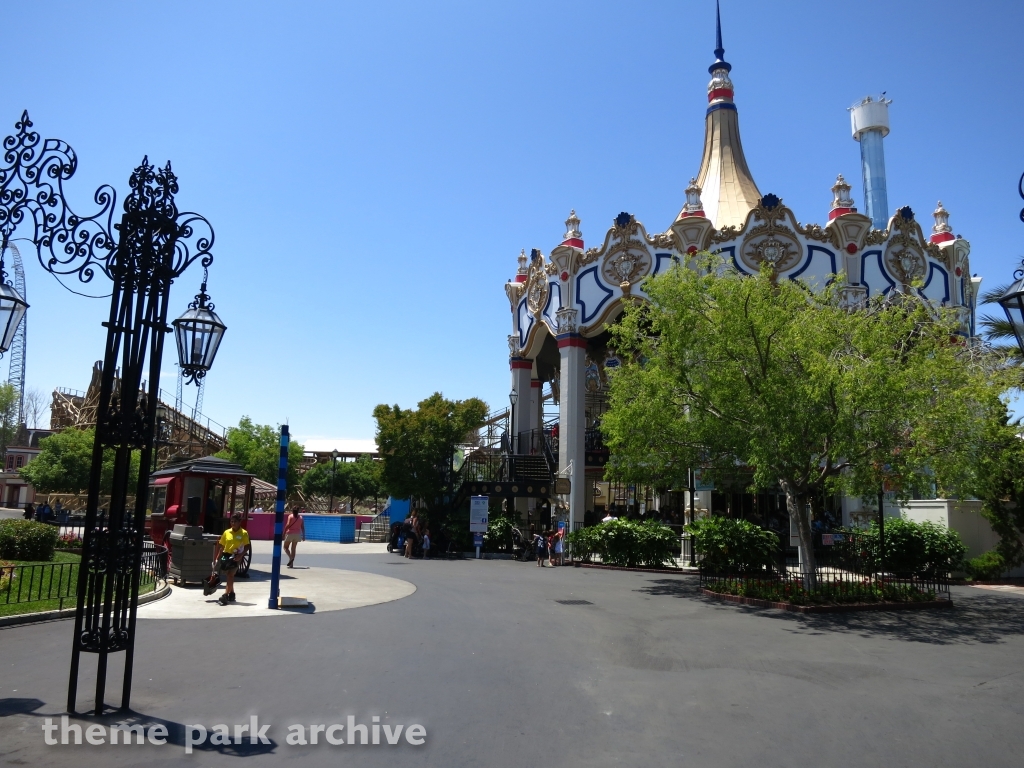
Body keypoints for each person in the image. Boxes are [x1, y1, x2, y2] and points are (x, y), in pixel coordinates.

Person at [209, 513, 250, 605]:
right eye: (231, 521)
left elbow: (247, 546)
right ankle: (232, 593)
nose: (233, 523)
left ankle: (225, 595)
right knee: (228, 574)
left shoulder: (244, 533)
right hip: (226, 556)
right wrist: (216, 559)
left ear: (240, 522)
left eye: (235, 521)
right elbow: (222, 546)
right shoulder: (226, 532)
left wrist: (241, 555)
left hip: (236, 556)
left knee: (231, 575)